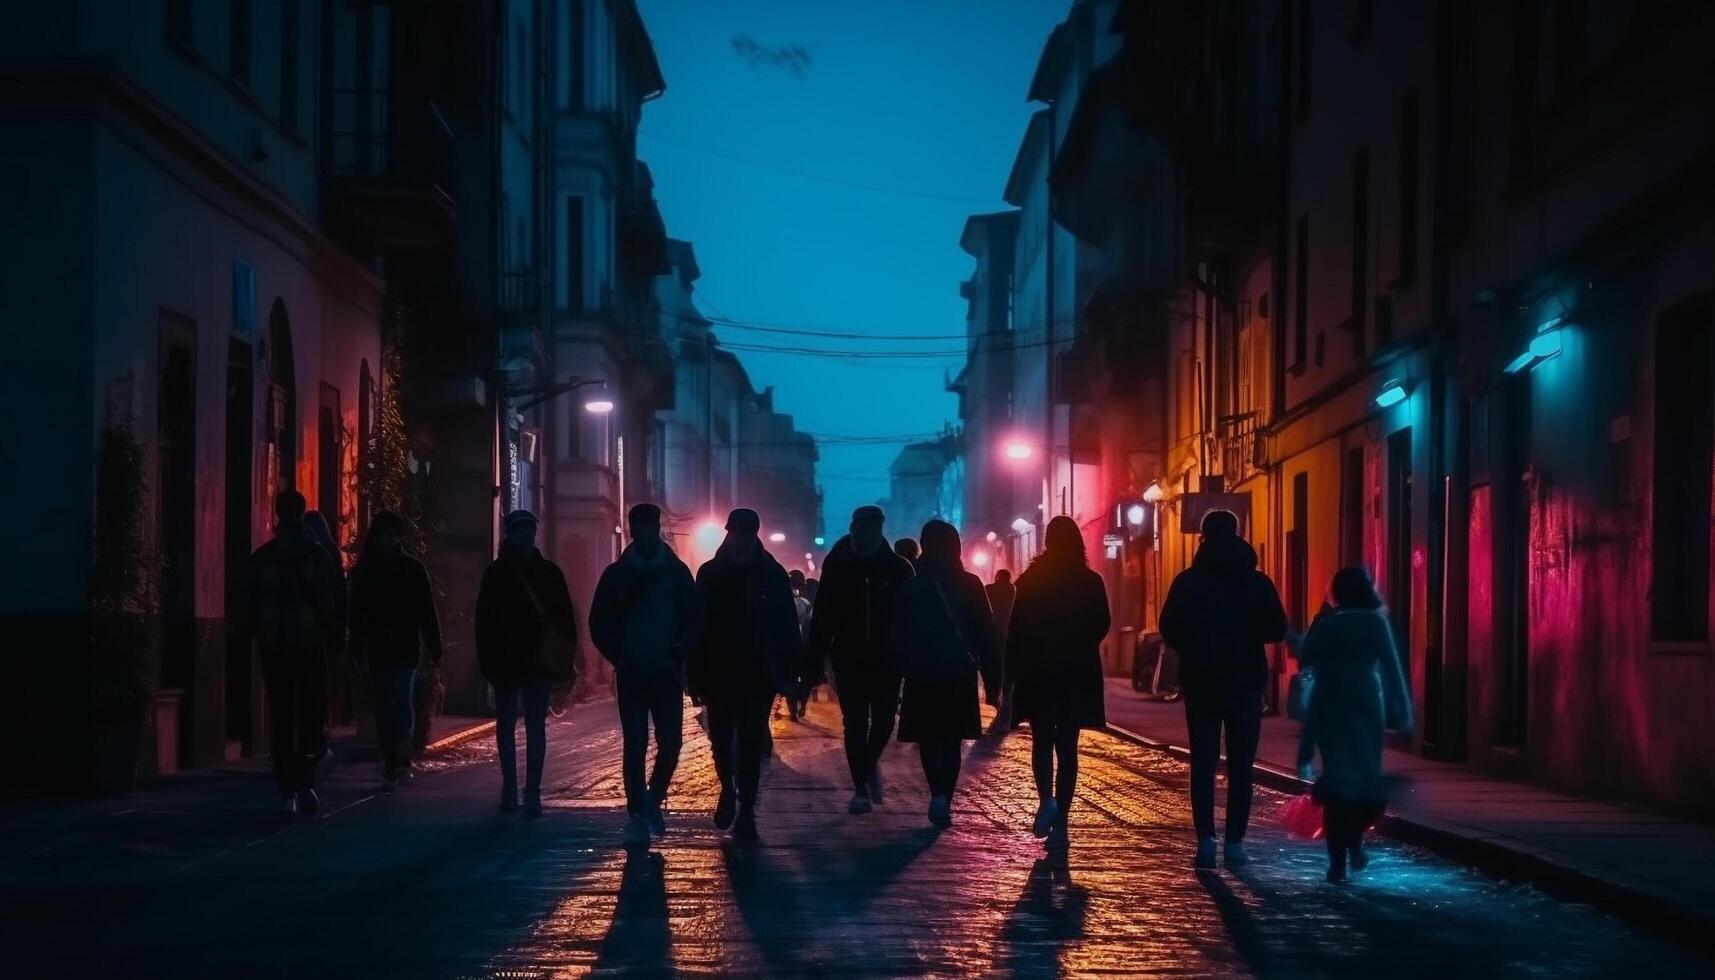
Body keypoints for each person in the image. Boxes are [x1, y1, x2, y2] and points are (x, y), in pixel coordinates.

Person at [1159, 509, 1288, 870]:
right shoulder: (1257, 582)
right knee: (1241, 765)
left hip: (1201, 679)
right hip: (1245, 679)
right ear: (1238, 533)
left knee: (1202, 761)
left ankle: (1205, 841)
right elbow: (1277, 628)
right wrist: (1246, 634)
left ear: (1203, 537)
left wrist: (1194, 645)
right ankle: (1234, 843)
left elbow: (1169, 626)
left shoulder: (1188, 581)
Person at [689, 508, 804, 841]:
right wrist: (694, 674)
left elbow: (786, 626)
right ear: (730, 533)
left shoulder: (771, 574)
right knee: (722, 740)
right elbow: (698, 626)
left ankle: (748, 810)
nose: (738, 538)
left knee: (752, 741)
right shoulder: (710, 573)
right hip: (719, 670)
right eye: (735, 532)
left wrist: (791, 671)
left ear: (753, 535)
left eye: (744, 533)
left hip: (758, 672)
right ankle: (728, 789)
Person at [589, 504, 701, 847]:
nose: (643, 532)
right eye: (637, 527)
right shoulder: (617, 574)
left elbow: (694, 617)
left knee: (671, 743)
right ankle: (639, 810)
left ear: (656, 528)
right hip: (634, 672)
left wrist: (679, 653)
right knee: (635, 744)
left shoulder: (676, 573)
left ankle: (651, 802)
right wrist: (619, 657)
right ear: (634, 530)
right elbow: (600, 622)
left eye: (647, 526)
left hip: (665, 671)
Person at [1297, 566, 1413, 883]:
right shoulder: (1375, 622)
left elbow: (1306, 655)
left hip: (1330, 700)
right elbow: (1391, 666)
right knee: (1365, 778)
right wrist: (1403, 710)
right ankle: (1354, 844)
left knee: (1338, 786)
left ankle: (1339, 860)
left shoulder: (1329, 624)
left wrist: (1318, 621)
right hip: (1365, 703)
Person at [1005, 516, 1110, 850]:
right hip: (1075, 672)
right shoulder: (1090, 581)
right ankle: (1062, 821)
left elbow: (1016, 630)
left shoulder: (1030, 580)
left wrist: (1007, 678)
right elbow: (1101, 624)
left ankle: (1046, 800)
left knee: (1041, 740)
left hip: (1038, 671)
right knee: (1068, 746)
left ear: (1047, 542)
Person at [806, 505, 915, 814]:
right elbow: (822, 616)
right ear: (855, 530)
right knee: (854, 722)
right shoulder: (838, 566)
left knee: (883, 721)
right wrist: (814, 661)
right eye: (864, 528)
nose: (868, 534)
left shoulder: (898, 568)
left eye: (874, 528)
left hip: (887, 659)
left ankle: (866, 770)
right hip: (849, 658)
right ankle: (861, 788)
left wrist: (909, 653)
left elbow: (910, 616)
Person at [892, 520, 998, 829]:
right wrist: (993, 681)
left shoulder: (912, 586)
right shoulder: (971, 584)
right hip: (958, 671)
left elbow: (898, 631)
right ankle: (944, 799)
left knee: (927, 738)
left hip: (921, 672)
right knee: (951, 739)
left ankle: (936, 791)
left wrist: (899, 670)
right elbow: (986, 634)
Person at [476, 509, 579, 818]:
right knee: (515, 726)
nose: (526, 535)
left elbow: (564, 621)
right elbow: (485, 622)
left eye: (529, 530)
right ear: (512, 533)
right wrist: (488, 662)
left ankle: (527, 790)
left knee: (529, 727)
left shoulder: (533, 573)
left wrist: (563, 660)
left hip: (533, 662)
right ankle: (514, 788)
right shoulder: (504, 574)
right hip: (512, 661)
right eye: (521, 530)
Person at [245, 491, 342, 815]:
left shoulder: (263, 558)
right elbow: (328, 606)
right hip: (309, 646)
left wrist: (257, 632)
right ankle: (305, 780)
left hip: (275, 648)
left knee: (282, 718)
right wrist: (334, 642)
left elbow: (250, 605)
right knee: (312, 716)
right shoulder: (317, 557)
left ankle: (289, 789)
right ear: (302, 515)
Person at [348, 511, 442, 790]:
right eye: (381, 536)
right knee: (384, 705)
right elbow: (358, 615)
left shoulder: (412, 569)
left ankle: (400, 753)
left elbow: (427, 611)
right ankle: (392, 758)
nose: (386, 541)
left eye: (390, 535)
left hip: (404, 648)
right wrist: (355, 648)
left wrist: (434, 646)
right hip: (379, 648)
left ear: (398, 537)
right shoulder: (368, 572)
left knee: (400, 699)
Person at [985, 568, 1018, 734]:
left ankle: (995, 705)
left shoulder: (988, 590)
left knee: (993, 675)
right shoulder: (1015, 591)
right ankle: (1006, 715)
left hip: (992, 639)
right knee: (1009, 681)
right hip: (1012, 640)